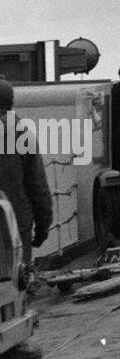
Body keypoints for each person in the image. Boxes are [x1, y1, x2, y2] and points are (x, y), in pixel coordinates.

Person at [0, 79, 53, 265]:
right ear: (11, 101)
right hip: (16, 222)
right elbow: (37, 184)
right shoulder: (21, 133)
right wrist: (43, 225)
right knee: (16, 283)